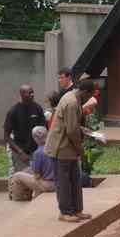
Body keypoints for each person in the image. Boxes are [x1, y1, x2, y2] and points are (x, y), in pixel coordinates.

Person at [45, 80, 95, 223]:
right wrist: (81, 149)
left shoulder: (75, 98)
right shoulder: (72, 102)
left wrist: (85, 131)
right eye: (90, 95)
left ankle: (77, 210)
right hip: (61, 148)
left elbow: (74, 125)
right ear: (85, 92)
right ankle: (65, 212)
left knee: (75, 179)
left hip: (69, 147)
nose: (89, 99)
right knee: (64, 181)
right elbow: (72, 130)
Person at [3, 85, 44, 178]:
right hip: (20, 153)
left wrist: (41, 149)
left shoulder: (37, 108)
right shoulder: (13, 111)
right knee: (22, 180)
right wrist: (20, 152)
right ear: (22, 94)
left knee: (37, 179)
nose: (32, 94)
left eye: (32, 92)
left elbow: (44, 130)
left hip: (36, 151)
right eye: (29, 93)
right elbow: (6, 136)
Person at [12, 126, 55, 197]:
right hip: (59, 183)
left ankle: (20, 200)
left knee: (17, 176)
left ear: (35, 138)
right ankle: (35, 195)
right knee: (28, 171)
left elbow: (37, 176)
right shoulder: (55, 147)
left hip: (48, 185)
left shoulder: (38, 153)